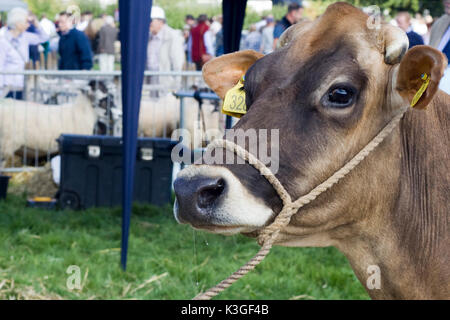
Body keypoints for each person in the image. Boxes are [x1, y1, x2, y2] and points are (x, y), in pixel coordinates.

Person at [0, 7, 49, 99]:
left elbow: (44, 38)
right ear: (18, 23)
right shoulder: (2, 40)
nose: (28, 25)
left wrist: (36, 23)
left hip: (21, 85)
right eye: (26, 22)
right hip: (7, 88)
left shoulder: (25, 37)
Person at [146, 6, 185, 96]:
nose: (149, 23)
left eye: (151, 20)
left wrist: (175, 87)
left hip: (166, 83)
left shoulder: (172, 37)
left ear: (161, 21)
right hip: (150, 80)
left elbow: (177, 63)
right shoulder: (148, 37)